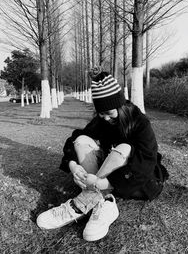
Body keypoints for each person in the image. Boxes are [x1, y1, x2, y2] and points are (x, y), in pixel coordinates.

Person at [36, 69, 169, 242]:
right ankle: (105, 201)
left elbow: (146, 161)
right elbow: (76, 139)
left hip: (138, 178)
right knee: (82, 139)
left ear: (121, 106)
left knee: (125, 147)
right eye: (101, 113)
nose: (105, 118)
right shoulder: (102, 120)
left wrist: (103, 182)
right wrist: (73, 166)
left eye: (110, 113)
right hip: (106, 173)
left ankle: (80, 205)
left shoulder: (140, 122)